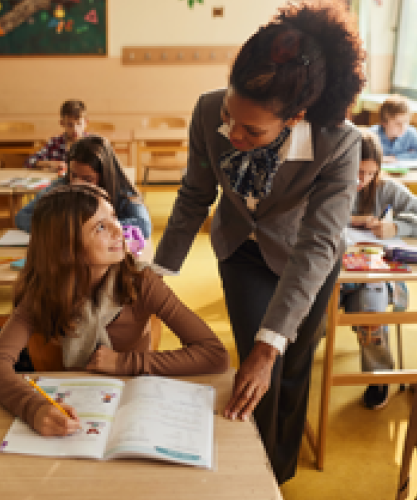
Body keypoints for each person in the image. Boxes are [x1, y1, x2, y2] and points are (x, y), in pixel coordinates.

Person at [152, 0, 366, 482]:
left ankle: (279, 472)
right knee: (254, 352)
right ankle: (254, 466)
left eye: (251, 129)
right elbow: (194, 195)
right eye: (231, 116)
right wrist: (156, 273)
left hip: (305, 257)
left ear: (296, 116)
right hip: (241, 250)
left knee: (289, 362)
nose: (232, 133)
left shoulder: (339, 143)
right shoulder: (209, 111)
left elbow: (318, 244)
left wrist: (273, 349)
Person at [0, 185, 228, 436]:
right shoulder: (42, 292)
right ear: (66, 246)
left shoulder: (141, 282)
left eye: (113, 218)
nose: (118, 229)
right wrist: (33, 407)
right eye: (100, 226)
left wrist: (124, 363)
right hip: (71, 406)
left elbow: (215, 355)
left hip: (133, 404)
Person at [342, 129, 417, 409]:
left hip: (371, 278)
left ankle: (378, 377)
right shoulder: (327, 185)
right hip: (329, 277)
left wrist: (398, 226)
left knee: (371, 313)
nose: (363, 180)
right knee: (308, 316)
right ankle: (294, 367)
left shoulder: (386, 189)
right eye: (358, 171)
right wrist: (350, 221)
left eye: (371, 173)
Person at [15, 135, 152, 238]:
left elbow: (143, 225)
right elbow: (22, 216)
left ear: (105, 175)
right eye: (73, 175)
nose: (77, 184)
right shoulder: (61, 185)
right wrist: (58, 228)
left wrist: (93, 227)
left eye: (88, 179)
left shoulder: (121, 190)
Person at [25, 99, 88, 174]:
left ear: (86, 123)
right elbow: (29, 162)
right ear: (62, 123)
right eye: (70, 125)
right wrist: (50, 163)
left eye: (79, 124)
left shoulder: (93, 143)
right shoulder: (55, 142)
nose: (75, 129)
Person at [370, 94, 417, 162]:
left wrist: (397, 158)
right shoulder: (372, 135)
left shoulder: (410, 133)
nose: (403, 127)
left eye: (406, 122)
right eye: (398, 123)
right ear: (384, 123)